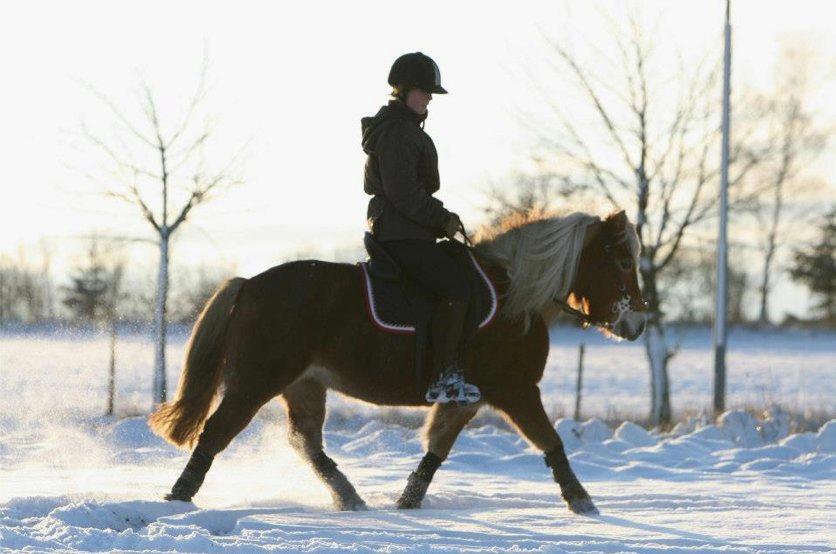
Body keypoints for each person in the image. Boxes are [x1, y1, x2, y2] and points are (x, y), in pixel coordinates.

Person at [361, 52, 480, 405]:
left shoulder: (403, 129)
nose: (429, 98)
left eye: (430, 93)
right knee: (457, 287)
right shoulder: (397, 133)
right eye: (424, 91)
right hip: (403, 234)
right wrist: (442, 218)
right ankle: (446, 374)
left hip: (409, 230)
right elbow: (405, 195)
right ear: (403, 91)